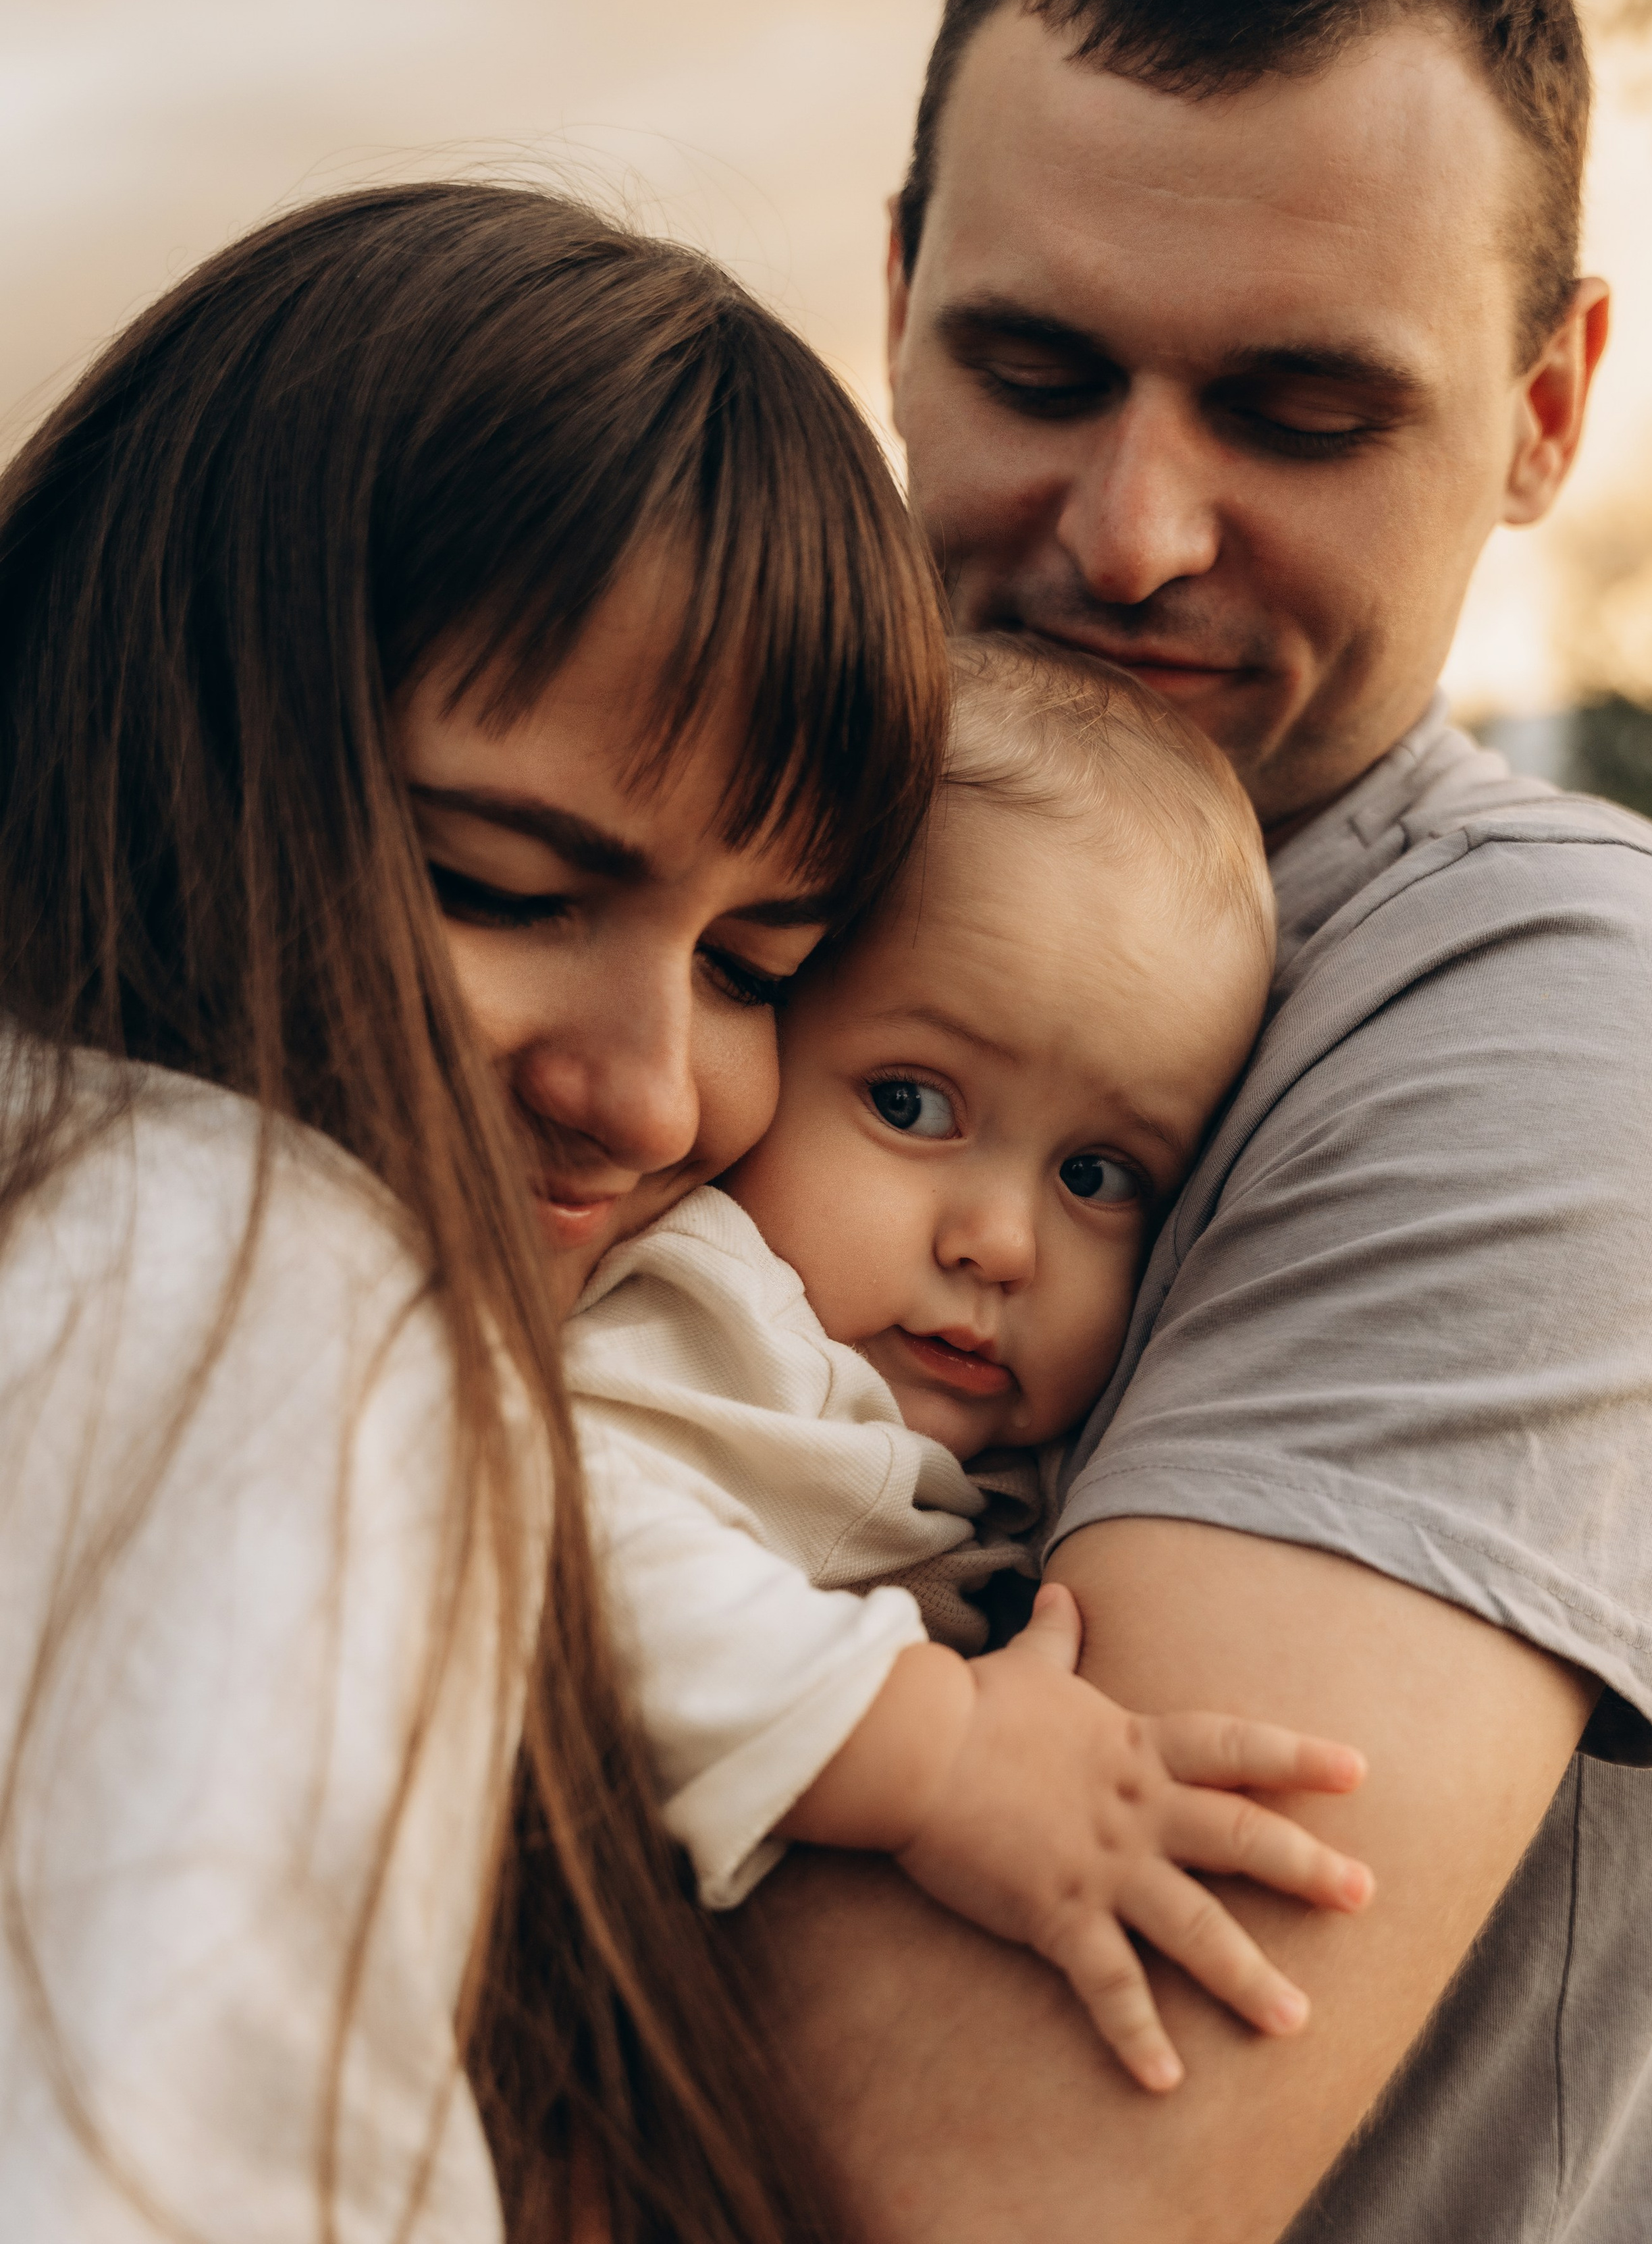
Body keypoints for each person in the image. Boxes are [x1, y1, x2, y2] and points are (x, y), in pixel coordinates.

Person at [739, 0, 1652, 2243]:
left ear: (1544, 405)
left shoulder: (1567, 1013)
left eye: (1300, 412)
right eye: (1036, 367)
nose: (1134, 531)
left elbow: (970, 2174)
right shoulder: (712, 889)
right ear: (891, 304)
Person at [0, 180, 954, 2243]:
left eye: (757, 966)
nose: (648, 1087)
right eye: (505, 886)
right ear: (172, 731)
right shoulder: (258, 1270)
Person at [568, 635, 1375, 2098]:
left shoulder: (1026, 1427)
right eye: (908, 1099)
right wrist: (937, 1751)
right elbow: (533, 1526)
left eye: (1099, 1174)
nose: (999, 1238)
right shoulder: (719, 1311)